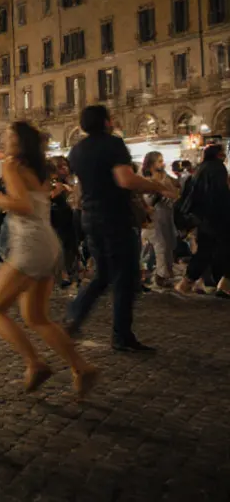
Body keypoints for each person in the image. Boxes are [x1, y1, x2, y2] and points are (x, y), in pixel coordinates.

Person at [0, 122, 100, 397]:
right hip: (48, 243)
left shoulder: (12, 166)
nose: (5, 140)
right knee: (36, 317)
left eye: (9, 136)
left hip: (30, 246)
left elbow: (24, 205)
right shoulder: (41, 169)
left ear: (20, 142)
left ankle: (34, 363)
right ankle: (81, 366)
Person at [64, 105, 175, 352]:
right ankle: (121, 335)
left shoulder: (77, 150)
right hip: (114, 217)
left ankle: (74, 315)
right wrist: (155, 186)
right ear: (105, 121)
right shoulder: (113, 145)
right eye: (111, 118)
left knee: (103, 274)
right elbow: (125, 179)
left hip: (90, 217)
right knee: (126, 277)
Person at [175, 144, 230, 297]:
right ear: (218, 155)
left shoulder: (200, 169)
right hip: (217, 217)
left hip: (204, 218)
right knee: (215, 250)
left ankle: (189, 283)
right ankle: (222, 284)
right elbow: (220, 194)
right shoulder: (217, 169)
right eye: (222, 153)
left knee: (206, 251)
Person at [139, 152, 178, 289]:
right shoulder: (147, 180)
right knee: (160, 246)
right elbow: (147, 200)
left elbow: (175, 191)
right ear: (151, 164)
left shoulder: (166, 178)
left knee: (167, 245)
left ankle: (161, 273)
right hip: (153, 219)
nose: (162, 163)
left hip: (166, 217)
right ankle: (162, 275)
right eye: (159, 161)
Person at [48, 156, 79, 288]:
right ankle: (62, 274)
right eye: (60, 167)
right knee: (60, 245)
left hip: (68, 215)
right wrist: (57, 191)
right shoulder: (50, 182)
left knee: (70, 245)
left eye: (65, 165)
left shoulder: (68, 181)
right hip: (55, 216)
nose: (64, 169)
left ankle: (70, 272)